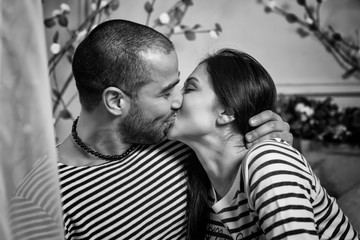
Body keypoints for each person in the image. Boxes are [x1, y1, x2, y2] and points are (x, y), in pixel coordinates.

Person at [56, 20, 293, 239]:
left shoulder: (177, 138)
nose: (177, 101)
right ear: (117, 102)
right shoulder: (48, 195)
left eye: (180, 86)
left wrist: (270, 137)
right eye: (165, 93)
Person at [167, 48, 359, 240]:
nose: (175, 100)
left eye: (190, 88)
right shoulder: (205, 190)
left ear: (227, 111)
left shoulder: (268, 162)